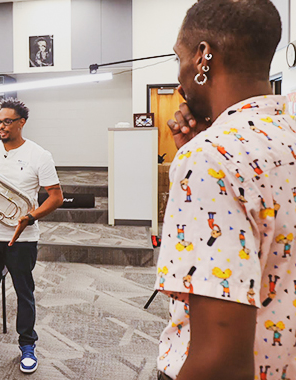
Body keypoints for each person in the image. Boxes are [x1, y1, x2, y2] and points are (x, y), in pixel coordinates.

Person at [154, 1, 293, 379]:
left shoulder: (210, 159)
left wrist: (203, 155)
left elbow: (220, 362)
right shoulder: (288, 130)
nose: (179, 77)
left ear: (203, 58)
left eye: (178, 58)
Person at [0, 98, 63, 373]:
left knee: (24, 292)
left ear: (22, 123)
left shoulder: (39, 155)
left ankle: (27, 345)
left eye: (7, 121)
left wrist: (30, 216)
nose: (1, 126)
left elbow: (56, 197)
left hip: (22, 237)